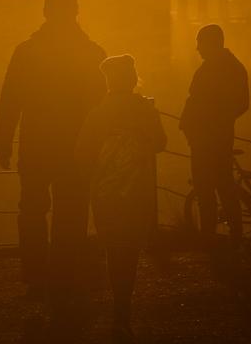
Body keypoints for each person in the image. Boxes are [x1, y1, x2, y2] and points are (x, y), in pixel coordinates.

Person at [0, 0, 107, 300]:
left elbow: (10, 100)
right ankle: (65, 271)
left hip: (36, 145)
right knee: (71, 209)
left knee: (31, 209)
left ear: (46, 12)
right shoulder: (92, 54)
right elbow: (101, 106)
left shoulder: (27, 52)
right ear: (76, 12)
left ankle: (35, 273)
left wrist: (3, 139)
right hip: (76, 146)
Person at [77, 55, 167, 341]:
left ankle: (119, 311)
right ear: (132, 79)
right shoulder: (144, 110)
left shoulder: (98, 113)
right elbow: (161, 143)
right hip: (137, 193)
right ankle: (123, 310)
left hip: (105, 194)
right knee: (129, 252)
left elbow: (82, 154)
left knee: (113, 249)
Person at [179, 24, 249, 247]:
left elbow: (199, 102)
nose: (197, 48)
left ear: (211, 44)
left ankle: (209, 238)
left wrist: (204, 123)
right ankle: (232, 236)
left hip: (206, 139)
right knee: (222, 186)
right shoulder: (233, 68)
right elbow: (241, 105)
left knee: (207, 189)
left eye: (200, 43)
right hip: (216, 137)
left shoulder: (213, 69)